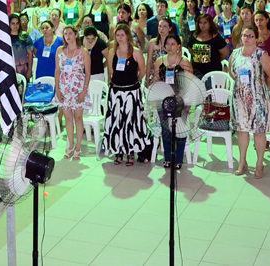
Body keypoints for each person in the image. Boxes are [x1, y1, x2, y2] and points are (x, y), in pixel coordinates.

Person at [230, 25, 270, 178]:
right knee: (242, 131)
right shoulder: (235, 53)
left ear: (256, 38)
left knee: (258, 131)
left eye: (250, 35)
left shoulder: (261, 54)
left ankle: (259, 164)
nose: (247, 38)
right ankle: (242, 162)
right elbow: (231, 72)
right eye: (244, 35)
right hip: (239, 99)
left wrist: (259, 87)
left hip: (258, 99)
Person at [99, 23, 149, 165]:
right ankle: (118, 151)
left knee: (131, 122)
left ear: (127, 35)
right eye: (117, 35)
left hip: (132, 92)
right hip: (116, 92)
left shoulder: (136, 52)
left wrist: (135, 82)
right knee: (117, 122)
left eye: (122, 35)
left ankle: (131, 151)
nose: (119, 38)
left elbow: (143, 70)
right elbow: (111, 72)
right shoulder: (111, 52)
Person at [151, 34, 193, 169]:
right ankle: (168, 158)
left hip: (181, 101)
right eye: (167, 44)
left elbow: (190, 83)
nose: (169, 47)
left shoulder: (184, 61)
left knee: (180, 131)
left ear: (179, 46)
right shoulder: (159, 61)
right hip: (163, 100)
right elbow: (156, 79)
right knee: (166, 130)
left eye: (173, 44)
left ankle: (179, 159)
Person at [54, 26, 91, 160]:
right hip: (64, 88)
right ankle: (70, 145)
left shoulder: (83, 51)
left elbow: (87, 73)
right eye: (65, 34)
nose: (68, 36)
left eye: (70, 33)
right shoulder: (60, 50)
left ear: (76, 35)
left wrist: (84, 91)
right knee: (67, 118)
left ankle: (78, 147)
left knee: (78, 117)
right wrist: (57, 89)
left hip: (78, 88)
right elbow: (57, 71)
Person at [187, 14, 229, 79]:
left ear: (210, 23)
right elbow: (190, 49)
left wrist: (215, 60)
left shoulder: (216, 37)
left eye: (205, 22)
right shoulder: (194, 35)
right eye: (200, 23)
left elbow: (225, 53)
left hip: (212, 72)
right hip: (196, 71)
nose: (202, 25)